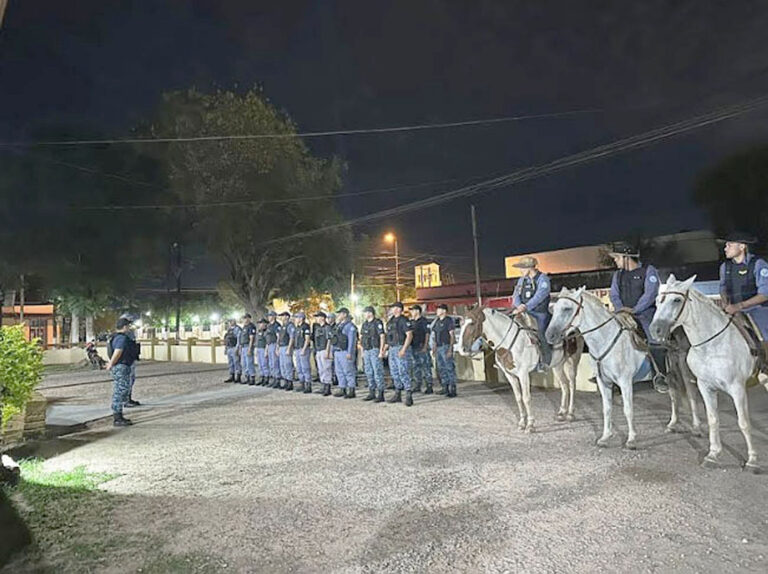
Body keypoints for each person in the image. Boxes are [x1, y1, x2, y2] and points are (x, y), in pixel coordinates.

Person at [608, 242, 668, 393]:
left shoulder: (649, 271)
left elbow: (650, 294)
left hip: (645, 314)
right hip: (623, 314)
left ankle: (660, 375)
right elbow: (614, 294)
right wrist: (621, 309)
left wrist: (635, 309)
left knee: (654, 337)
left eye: (617, 257)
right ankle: (610, 375)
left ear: (627, 257)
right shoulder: (618, 275)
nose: (615, 260)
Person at [719, 232, 768, 340]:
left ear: (742, 247)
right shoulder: (725, 267)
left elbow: (765, 294)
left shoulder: (758, 264)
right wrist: (725, 303)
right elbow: (723, 288)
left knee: (764, 336)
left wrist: (739, 306)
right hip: (735, 312)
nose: (725, 249)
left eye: (729, 245)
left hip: (758, 310)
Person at [511, 256, 552, 371]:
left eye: (522, 268)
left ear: (530, 267)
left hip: (540, 313)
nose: (520, 271)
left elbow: (540, 295)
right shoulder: (521, 280)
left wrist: (526, 306)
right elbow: (515, 295)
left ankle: (545, 361)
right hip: (523, 312)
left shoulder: (543, 279)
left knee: (541, 334)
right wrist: (519, 306)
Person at [105, 317, 140, 427]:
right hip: (121, 366)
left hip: (121, 366)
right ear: (124, 327)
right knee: (120, 391)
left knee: (120, 390)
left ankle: (118, 415)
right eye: (128, 326)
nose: (129, 328)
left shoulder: (115, 337)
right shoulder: (121, 338)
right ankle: (117, 417)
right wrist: (111, 363)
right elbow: (118, 351)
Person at [386, 301, 415, 406]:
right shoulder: (391, 321)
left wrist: (404, 349)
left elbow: (409, 335)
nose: (393, 309)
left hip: (401, 347)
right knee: (394, 372)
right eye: (392, 307)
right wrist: (386, 347)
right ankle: (397, 393)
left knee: (403, 371)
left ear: (399, 309)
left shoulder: (403, 320)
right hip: (392, 348)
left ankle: (408, 394)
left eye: (394, 307)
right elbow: (389, 336)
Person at [360, 305, 386, 402]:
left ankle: (380, 393)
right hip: (367, 350)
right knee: (368, 372)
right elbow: (362, 338)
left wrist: (381, 350)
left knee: (377, 371)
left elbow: (382, 336)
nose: (364, 314)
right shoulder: (364, 324)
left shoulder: (377, 323)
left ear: (370, 313)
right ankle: (371, 391)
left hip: (375, 349)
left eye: (365, 312)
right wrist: (362, 351)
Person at [432, 304, 458, 397]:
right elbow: (435, 335)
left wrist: (450, 349)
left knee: (449, 367)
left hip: (445, 346)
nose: (437, 311)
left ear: (444, 311)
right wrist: (434, 347)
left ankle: (452, 388)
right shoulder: (437, 321)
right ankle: (445, 387)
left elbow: (452, 335)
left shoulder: (448, 321)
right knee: (441, 368)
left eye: (439, 309)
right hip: (438, 347)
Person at [331, 308, 358, 398]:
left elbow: (352, 340)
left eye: (340, 314)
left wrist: (350, 352)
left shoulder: (350, 326)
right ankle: (342, 388)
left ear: (345, 315)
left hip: (345, 351)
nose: (338, 316)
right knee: (339, 371)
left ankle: (351, 389)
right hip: (338, 351)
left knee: (349, 371)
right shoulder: (339, 325)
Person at [409, 305, 432, 393]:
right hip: (413, 347)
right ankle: (417, 385)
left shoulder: (423, 321)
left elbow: (427, 334)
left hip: (421, 346)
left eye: (413, 310)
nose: (411, 312)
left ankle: (429, 385)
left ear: (417, 311)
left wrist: (425, 346)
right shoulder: (411, 322)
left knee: (426, 366)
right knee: (415, 367)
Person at [312, 311, 334, 396]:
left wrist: (328, 351)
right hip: (319, 350)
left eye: (318, 317)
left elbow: (329, 339)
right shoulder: (318, 328)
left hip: (325, 349)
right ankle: (323, 385)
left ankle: (327, 387)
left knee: (326, 368)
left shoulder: (327, 327)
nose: (316, 319)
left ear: (322, 318)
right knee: (321, 369)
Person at [292, 312, 313, 393]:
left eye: (296, 317)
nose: (295, 319)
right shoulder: (297, 327)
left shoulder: (305, 327)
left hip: (303, 349)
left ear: (301, 318)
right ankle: (302, 383)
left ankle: (308, 384)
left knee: (305, 367)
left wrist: (304, 349)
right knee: (299, 367)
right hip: (297, 349)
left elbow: (307, 339)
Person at [277, 311, 294, 390]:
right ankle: (285, 380)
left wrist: (289, 348)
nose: (282, 317)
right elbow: (279, 338)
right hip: (281, 347)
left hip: (286, 346)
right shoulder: (282, 326)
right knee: (282, 365)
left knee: (287, 365)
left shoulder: (290, 326)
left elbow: (291, 337)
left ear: (287, 317)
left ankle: (290, 382)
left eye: (283, 316)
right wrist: (277, 348)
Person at [238, 314, 257, 385]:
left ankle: (252, 377)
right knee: (244, 363)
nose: (245, 320)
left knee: (249, 362)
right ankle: (247, 377)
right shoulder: (244, 327)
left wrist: (250, 348)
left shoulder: (251, 326)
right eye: (244, 318)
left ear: (249, 318)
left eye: (246, 318)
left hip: (247, 346)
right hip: (243, 347)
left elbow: (251, 338)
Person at [223, 319, 242, 383]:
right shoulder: (229, 329)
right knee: (230, 363)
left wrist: (237, 348)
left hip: (234, 347)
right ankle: (232, 376)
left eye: (232, 321)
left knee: (236, 362)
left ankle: (238, 377)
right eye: (230, 321)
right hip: (229, 347)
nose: (230, 322)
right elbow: (226, 339)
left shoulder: (238, 329)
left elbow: (239, 339)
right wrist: (226, 348)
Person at [265, 311, 280, 387]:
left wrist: (277, 348)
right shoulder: (268, 326)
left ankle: (277, 379)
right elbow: (267, 338)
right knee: (271, 363)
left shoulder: (276, 325)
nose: (268, 317)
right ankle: (273, 378)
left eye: (270, 316)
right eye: (268, 316)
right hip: (269, 345)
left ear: (274, 316)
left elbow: (278, 337)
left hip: (274, 344)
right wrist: (266, 349)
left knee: (275, 363)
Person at [255, 318, 270, 385]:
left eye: (261, 323)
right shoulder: (258, 331)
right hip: (258, 348)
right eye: (259, 323)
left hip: (263, 349)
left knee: (264, 364)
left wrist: (266, 351)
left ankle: (266, 377)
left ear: (265, 324)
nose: (260, 325)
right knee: (260, 364)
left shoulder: (266, 332)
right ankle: (262, 377)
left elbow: (267, 342)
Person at [327, 312, 339, 387]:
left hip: (335, 346)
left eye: (330, 318)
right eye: (328, 318)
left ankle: (336, 378)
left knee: (336, 364)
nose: (328, 319)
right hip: (329, 346)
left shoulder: (336, 326)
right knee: (330, 364)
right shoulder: (328, 327)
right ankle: (333, 377)